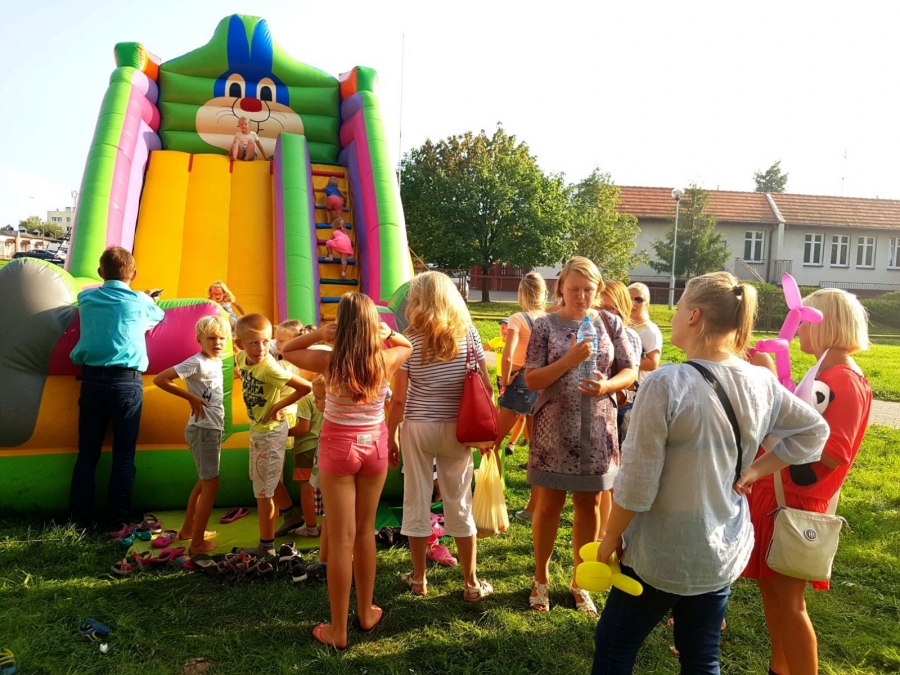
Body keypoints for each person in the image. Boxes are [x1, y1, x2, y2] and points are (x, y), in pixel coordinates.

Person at [591, 271, 830, 675]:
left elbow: (638, 482)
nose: (673, 315)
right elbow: (814, 431)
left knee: (614, 647)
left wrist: (610, 536)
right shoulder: (759, 380)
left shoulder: (666, 383)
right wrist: (757, 470)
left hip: (660, 550)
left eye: (679, 307)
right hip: (720, 549)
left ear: (694, 316)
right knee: (701, 656)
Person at [742, 289, 872, 675]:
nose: (796, 329)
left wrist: (779, 423)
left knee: (789, 604)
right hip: (780, 496)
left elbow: (834, 451)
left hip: (795, 500)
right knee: (775, 599)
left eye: (802, 321)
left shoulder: (842, 378)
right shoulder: (826, 373)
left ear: (825, 324)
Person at [283, 293, 412, 650]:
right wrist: (386, 332)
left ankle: (337, 630)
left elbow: (288, 350)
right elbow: (407, 345)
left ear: (341, 326)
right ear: (372, 325)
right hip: (374, 448)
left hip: (338, 449)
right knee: (365, 532)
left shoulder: (329, 360)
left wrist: (320, 334)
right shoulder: (385, 358)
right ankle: (366, 613)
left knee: (341, 539)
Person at [523, 257, 638, 615]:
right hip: (554, 431)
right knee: (549, 505)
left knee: (589, 505)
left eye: (588, 289)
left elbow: (630, 371)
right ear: (560, 288)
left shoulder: (610, 323)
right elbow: (531, 379)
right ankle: (540, 579)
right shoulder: (544, 326)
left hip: (597, 431)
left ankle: (580, 580)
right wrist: (568, 360)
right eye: (574, 289)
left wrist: (607, 385)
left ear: (598, 290)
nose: (581, 296)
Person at [386, 271, 495, 603]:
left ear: (417, 300)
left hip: (417, 427)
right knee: (459, 501)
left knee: (415, 500)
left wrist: (390, 435)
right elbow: (486, 387)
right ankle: (471, 583)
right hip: (457, 428)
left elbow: (399, 398)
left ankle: (419, 578)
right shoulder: (469, 334)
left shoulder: (407, 338)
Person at [69, 247, 165, 532]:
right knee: (123, 454)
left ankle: (79, 521)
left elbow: (87, 298)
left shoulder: (86, 298)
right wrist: (148, 297)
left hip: (91, 380)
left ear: (100, 272)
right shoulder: (141, 301)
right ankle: (119, 520)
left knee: (87, 455)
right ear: (133, 274)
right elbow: (157, 316)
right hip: (126, 381)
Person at [234, 314, 311, 557]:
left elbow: (305, 387)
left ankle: (266, 547)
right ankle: (290, 515)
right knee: (264, 481)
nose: (261, 348)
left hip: (270, 432)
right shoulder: (240, 358)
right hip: (258, 429)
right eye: (254, 343)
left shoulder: (269, 367)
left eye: (266, 342)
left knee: (263, 493)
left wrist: (278, 406)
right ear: (240, 344)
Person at [152, 315, 230, 554]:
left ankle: (188, 530)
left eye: (222, 338)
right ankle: (197, 544)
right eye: (211, 338)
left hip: (210, 428)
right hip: (203, 429)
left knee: (204, 481)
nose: (217, 342)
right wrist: (191, 397)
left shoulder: (216, 361)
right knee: (211, 484)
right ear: (199, 340)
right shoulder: (196, 362)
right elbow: (161, 379)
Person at [494, 272, 548, 522]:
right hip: (543, 381)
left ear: (521, 294)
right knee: (537, 448)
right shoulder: (548, 319)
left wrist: (505, 380)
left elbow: (507, 355)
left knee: (493, 442)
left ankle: (493, 498)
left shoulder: (518, 318)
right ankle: (533, 506)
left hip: (520, 381)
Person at [594, 280, 644, 537]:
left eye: (609, 309)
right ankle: (603, 534)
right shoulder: (590, 330)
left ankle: (617, 534)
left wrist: (608, 386)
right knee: (602, 481)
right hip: (597, 412)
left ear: (622, 309)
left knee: (618, 479)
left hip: (620, 412)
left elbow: (630, 377)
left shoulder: (629, 335)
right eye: (599, 308)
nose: (603, 314)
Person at [627, 282, 664, 384]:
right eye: (629, 298)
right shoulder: (621, 325)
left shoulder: (650, 330)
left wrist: (621, 361)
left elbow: (653, 363)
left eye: (638, 300)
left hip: (638, 388)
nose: (633, 303)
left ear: (647, 304)